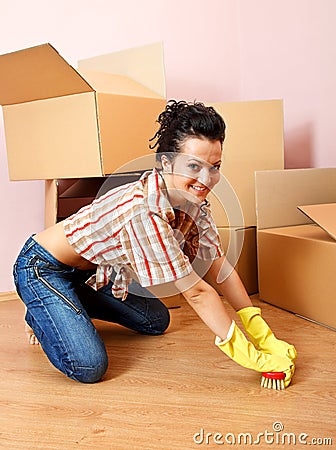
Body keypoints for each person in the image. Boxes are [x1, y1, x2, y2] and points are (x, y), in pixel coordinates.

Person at [13, 100, 297, 385]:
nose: (205, 178)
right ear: (166, 163)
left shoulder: (193, 203)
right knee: (89, 367)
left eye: (215, 166)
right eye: (194, 166)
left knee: (156, 321)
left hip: (88, 274)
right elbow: (197, 293)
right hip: (43, 267)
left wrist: (262, 334)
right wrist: (250, 355)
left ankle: (68, 299)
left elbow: (219, 267)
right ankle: (39, 309)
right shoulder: (144, 211)